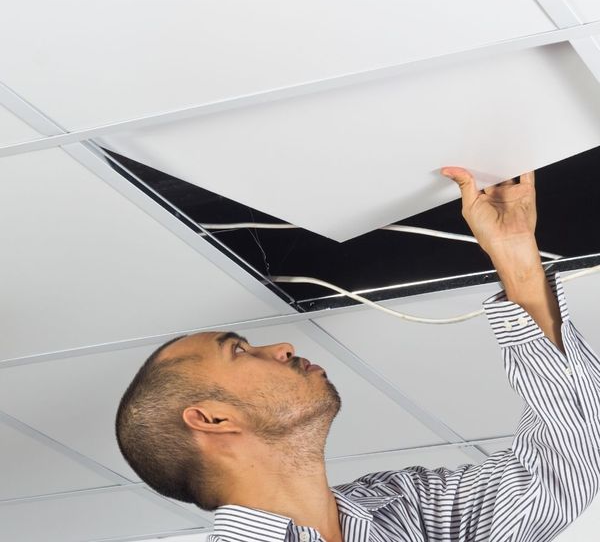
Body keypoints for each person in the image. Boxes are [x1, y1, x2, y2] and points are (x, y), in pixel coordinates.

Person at [115, 167, 600, 542]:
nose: (281, 347)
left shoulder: (403, 505)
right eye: (239, 352)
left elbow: (563, 469)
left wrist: (516, 260)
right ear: (212, 420)